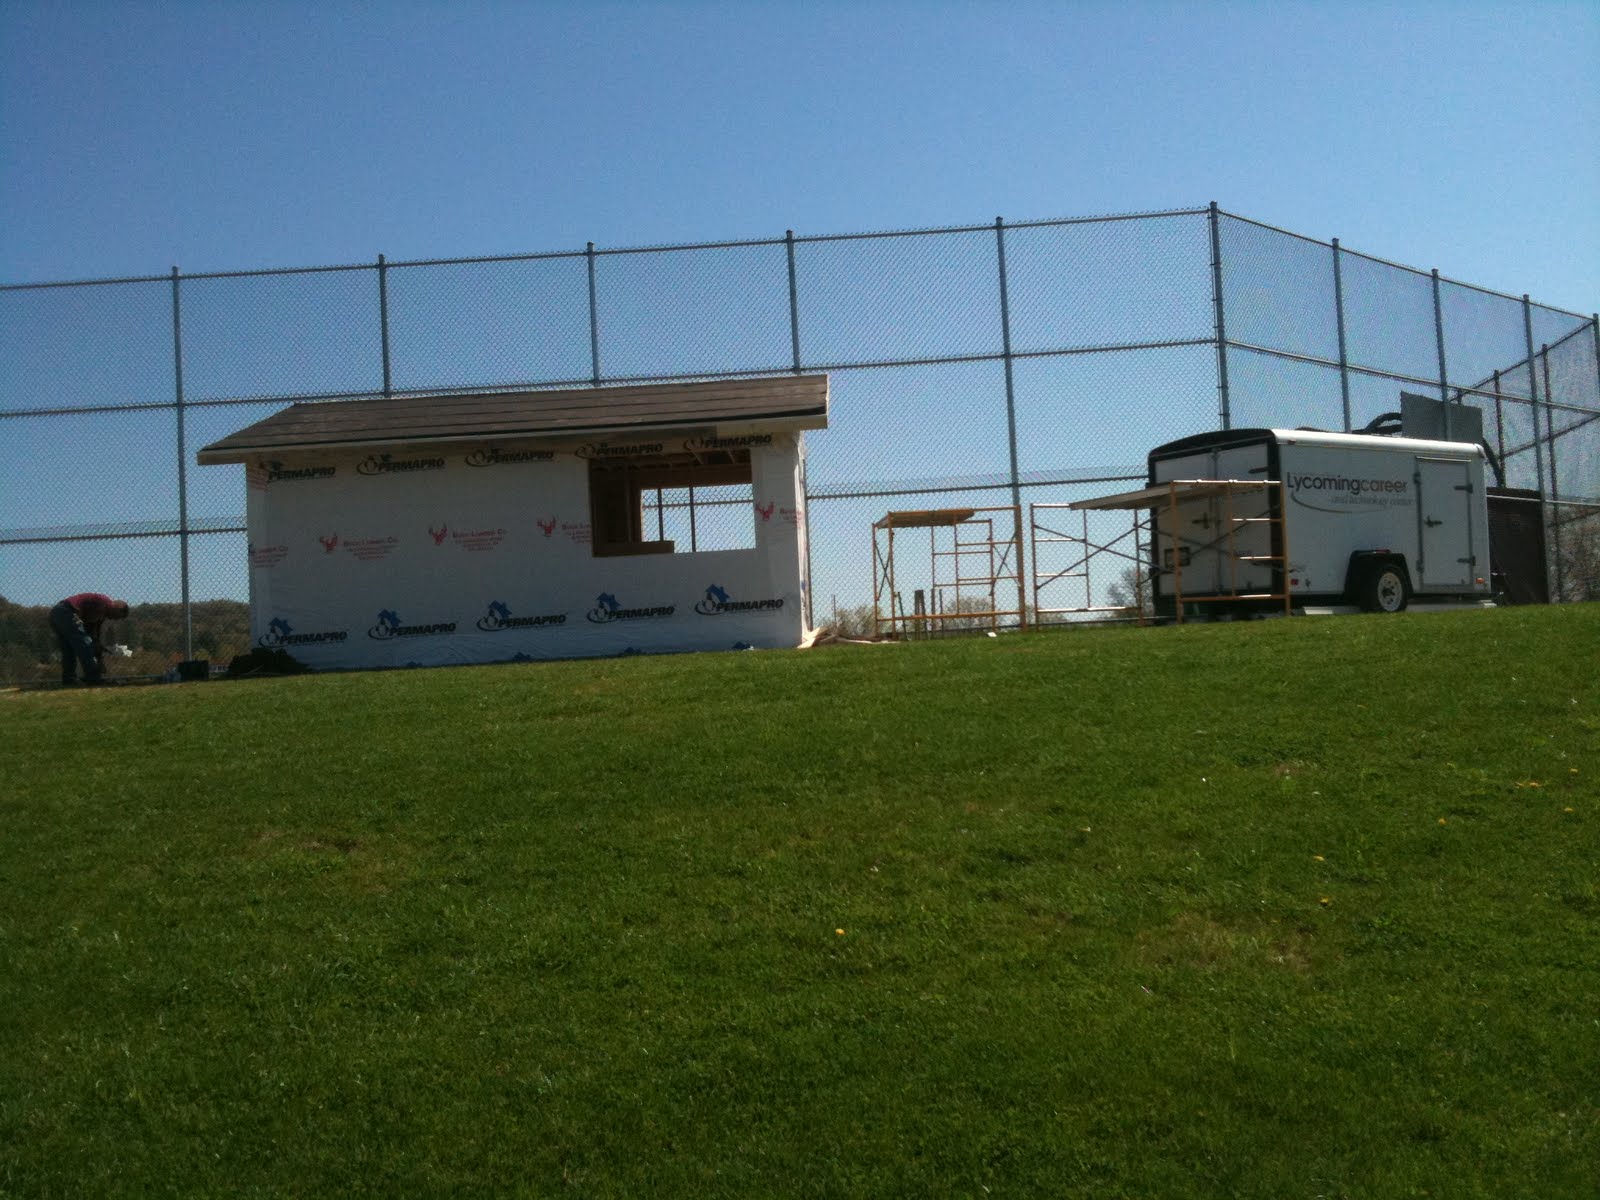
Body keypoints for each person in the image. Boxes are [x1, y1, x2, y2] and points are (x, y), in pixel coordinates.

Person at [50, 593, 130, 685]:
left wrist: (97, 645)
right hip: (68, 612)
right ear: (117, 608)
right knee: (86, 646)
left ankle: (69, 679)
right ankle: (93, 678)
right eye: (116, 616)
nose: (114, 619)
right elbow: (88, 626)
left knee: (69, 650)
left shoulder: (102, 609)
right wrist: (95, 648)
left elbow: (95, 629)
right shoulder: (102, 604)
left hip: (57, 613)